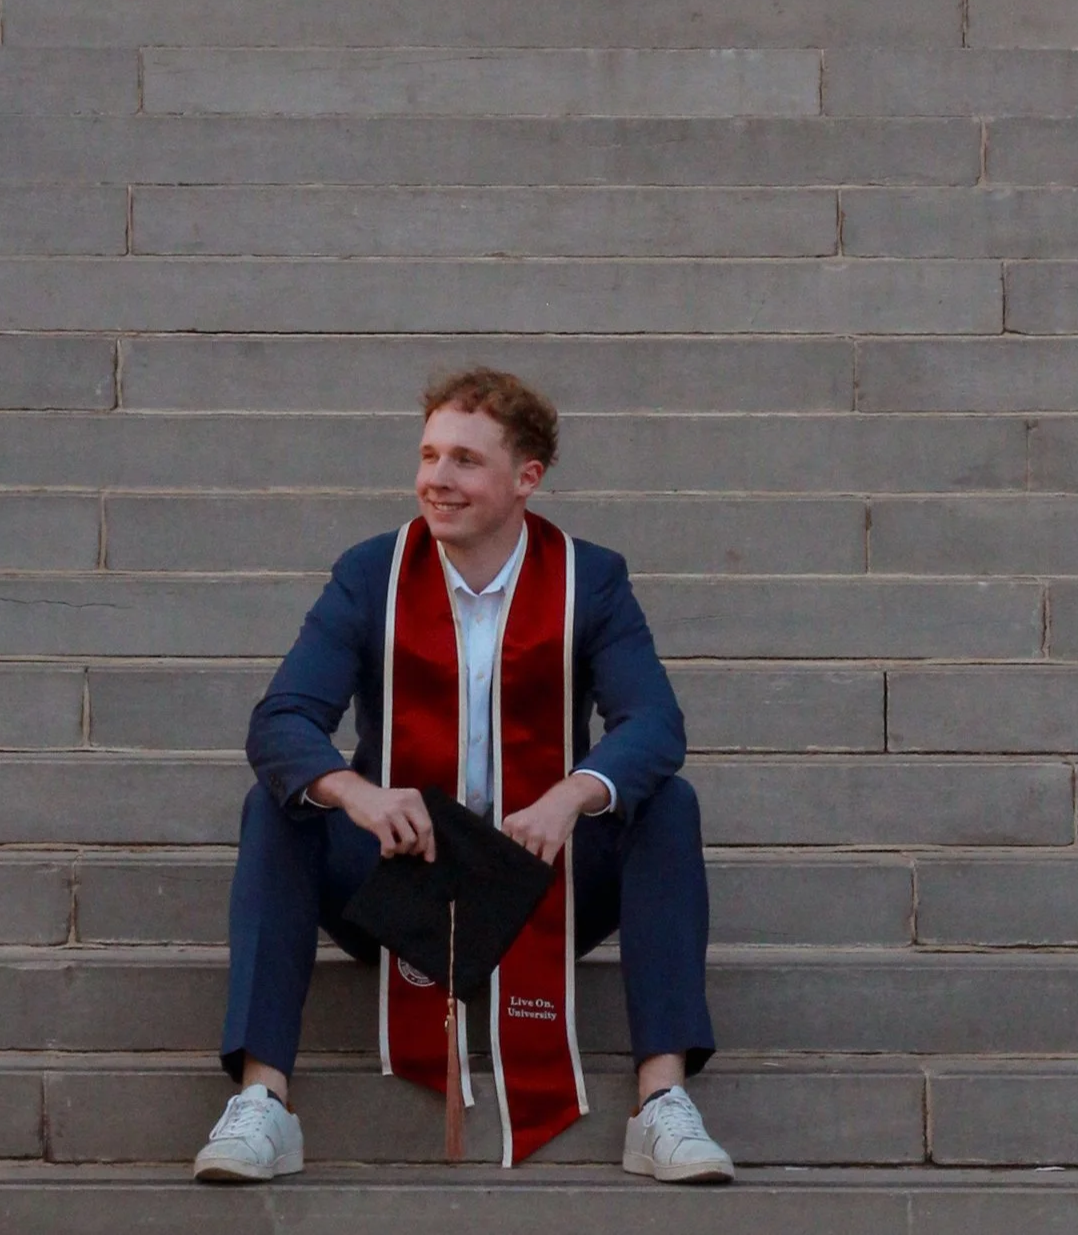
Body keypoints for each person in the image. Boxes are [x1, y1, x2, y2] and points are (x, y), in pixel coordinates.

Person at [195, 364, 734, 1185]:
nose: (436, 479)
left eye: (465, 460)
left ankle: (662, 1101)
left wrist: (572, 793)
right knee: (281, 805)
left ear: (527, 478)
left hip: (535, 875)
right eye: (429, 454)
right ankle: (262, 1099)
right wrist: (355, 791)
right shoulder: (371, 573)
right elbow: (282, 720)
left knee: (666, 804)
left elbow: (655, 723)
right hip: (397, 875)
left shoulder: (589, 579)